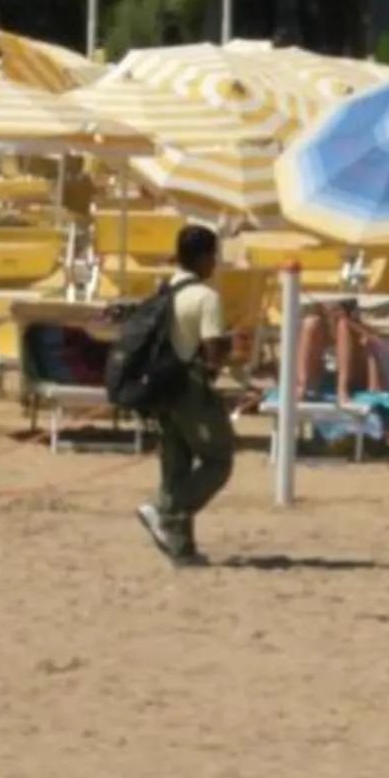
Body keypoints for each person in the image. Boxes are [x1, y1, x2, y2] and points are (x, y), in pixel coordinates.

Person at [136, 224, 237, 568]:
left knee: (175, 465)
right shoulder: (206, 297)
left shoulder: (165, 289)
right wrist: (229, 346)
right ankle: (164, 511)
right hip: (190, 387)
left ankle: (181, 547)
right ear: (206, 257)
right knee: (218, 459)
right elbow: (212, 354)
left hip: (160, 387)